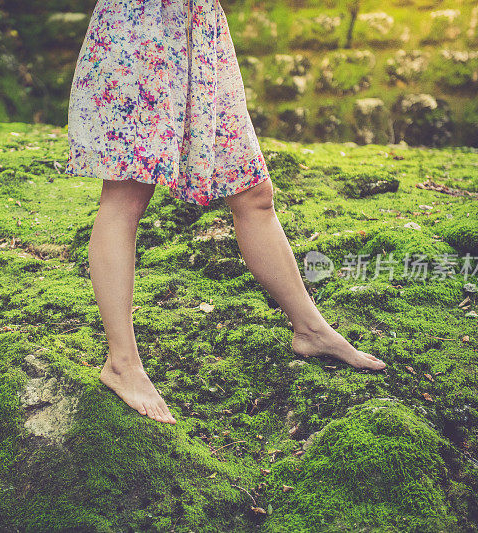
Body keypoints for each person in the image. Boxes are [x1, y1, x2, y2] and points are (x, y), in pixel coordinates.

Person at [64, 0, 386, 425]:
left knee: (254, 192)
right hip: (140, 32)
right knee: (125, 197)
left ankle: (310, 330)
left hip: (201, 31)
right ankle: (122, 362)